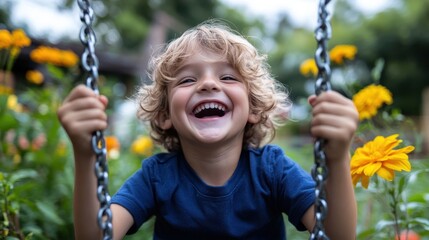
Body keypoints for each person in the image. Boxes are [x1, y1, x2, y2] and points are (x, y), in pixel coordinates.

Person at [57, 20, 358, 239]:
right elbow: (98, 235)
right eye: (187, 80)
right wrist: (86, 155)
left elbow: (336, 233)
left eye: (228, 77)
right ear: (165, 115)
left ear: (253, 109)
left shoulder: (272, 170)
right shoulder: (158, 177)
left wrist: (337, 157)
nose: (208, 84)